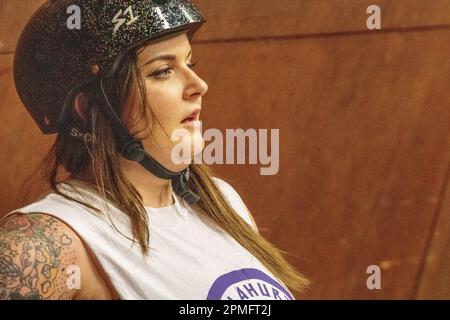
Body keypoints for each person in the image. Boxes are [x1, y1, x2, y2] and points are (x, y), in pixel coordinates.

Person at [0, 0, 309, 300]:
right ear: (90, 108)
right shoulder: (46, 241)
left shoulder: (221, 200)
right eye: (163, 71)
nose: (198, 85)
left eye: (189, 63)